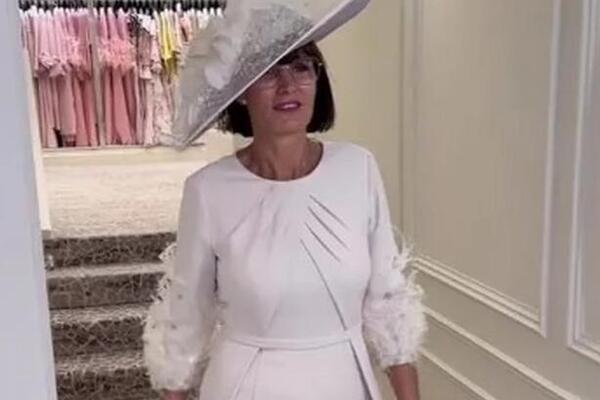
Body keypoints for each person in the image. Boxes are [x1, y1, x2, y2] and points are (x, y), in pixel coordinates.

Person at [142, 1, 426, 399]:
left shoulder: (358, 168)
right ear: (241, 91)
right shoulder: (207, 190)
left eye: (301, 67)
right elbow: (186, 318)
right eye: (268, 71)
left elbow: (389, 302)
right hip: (246, 386)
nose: (288, 85)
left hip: (346, 380)